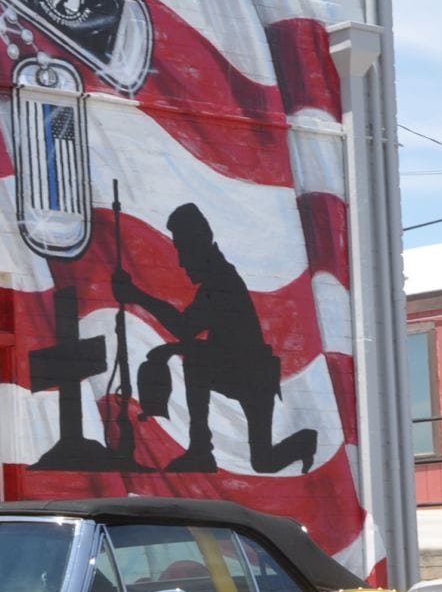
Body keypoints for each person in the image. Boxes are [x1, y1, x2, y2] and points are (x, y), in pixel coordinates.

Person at [111, 202, 317, 475]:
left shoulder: (222, 282)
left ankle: (304, 441)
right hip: (239, 370)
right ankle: (200, 449)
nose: (182, 262)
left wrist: (138, 297)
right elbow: (214, 343)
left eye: (183, 251)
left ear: (199, 244)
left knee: (263, 461)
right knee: (197, 362)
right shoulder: (216, 279)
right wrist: (172, 348)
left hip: (253, 378)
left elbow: (187, 327)